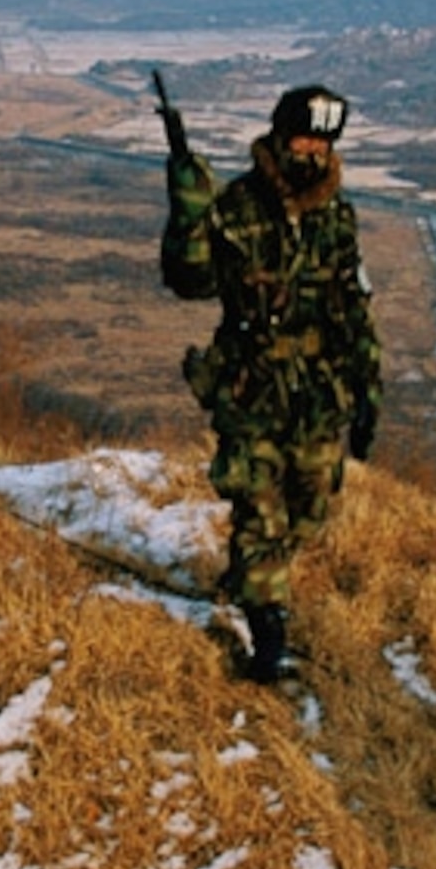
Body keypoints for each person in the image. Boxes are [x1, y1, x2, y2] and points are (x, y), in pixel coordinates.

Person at [172, 84, 382, 683]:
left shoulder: (337, 217)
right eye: (304, 138)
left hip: (318, 394)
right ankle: (269, 633)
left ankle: (253, 580)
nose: (313, 152)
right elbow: (190, 280)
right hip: (253, 388)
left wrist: (369, 388)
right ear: (280, 135)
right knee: (259, 509)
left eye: (324, 142)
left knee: (308, 511)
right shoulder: (238, 207)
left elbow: (353, 304)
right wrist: (188, 210)